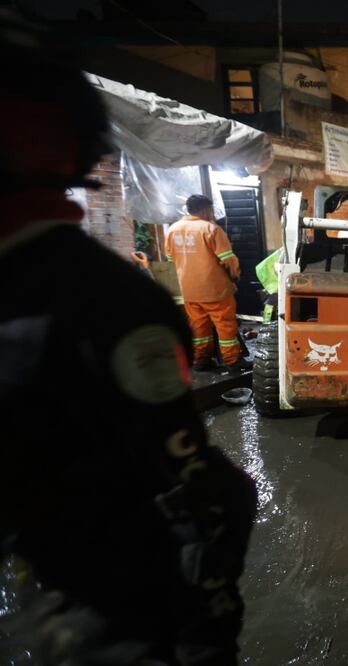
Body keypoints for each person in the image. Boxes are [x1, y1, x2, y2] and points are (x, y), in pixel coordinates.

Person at [0, 14, 255, 664]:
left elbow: (190, 498)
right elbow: (228, 265)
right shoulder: (97, 292)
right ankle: (218, 360)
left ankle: (205, 361)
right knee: (223, 333)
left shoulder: (132, 271)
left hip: (119, 616)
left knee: (201, 335)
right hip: (216, 291)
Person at [166, 194, 247, 371]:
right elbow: (228, 261)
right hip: (215, 289)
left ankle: (201, 360)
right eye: (211, 210)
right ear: (204, 209)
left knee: (198, 327)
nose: (212, 213)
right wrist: (235, 276)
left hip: (189, 290)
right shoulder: (211, 229)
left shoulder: (172, 230)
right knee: (225, 325)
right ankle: (232, 360)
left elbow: (170, 258)